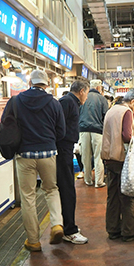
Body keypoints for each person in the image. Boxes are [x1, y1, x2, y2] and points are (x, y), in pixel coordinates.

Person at [2, 70, 66, 252]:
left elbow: (6, 124)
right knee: (51, 189)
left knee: (28, 197)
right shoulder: (54, 103)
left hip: (24, 155)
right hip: (48, 154)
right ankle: (56, 225)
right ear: (46, 84)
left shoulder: (16, 101)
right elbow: (61, 132)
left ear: (30, 82)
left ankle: (33, 241)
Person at [101, 90, 134, 242]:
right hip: (121, 159)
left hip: (109, 157)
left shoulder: (112, 109)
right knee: (127, 195)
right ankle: (128, 231)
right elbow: (126, 136)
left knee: (112, 196)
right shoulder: (126, 112)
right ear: (133, 102)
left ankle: (113, 229)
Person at [57, 80, 90, 245]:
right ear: (82, 91)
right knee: (67, 189)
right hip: (62, 150)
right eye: (87, 93)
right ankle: (69, 230)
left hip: (66, 149)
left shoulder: (71, 102)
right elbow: (58, 126)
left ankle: (66, 227)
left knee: (67, 189)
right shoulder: (67, 102)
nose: (87, 97)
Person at [79, 79, 108, 188]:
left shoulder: (82, 97)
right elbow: (105, 115)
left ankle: (88, 180)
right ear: (98, 88)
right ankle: (99, 182)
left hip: (83, 130)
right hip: (98, 131)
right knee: (98, 157)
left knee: (85, 157)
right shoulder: (102, 99)